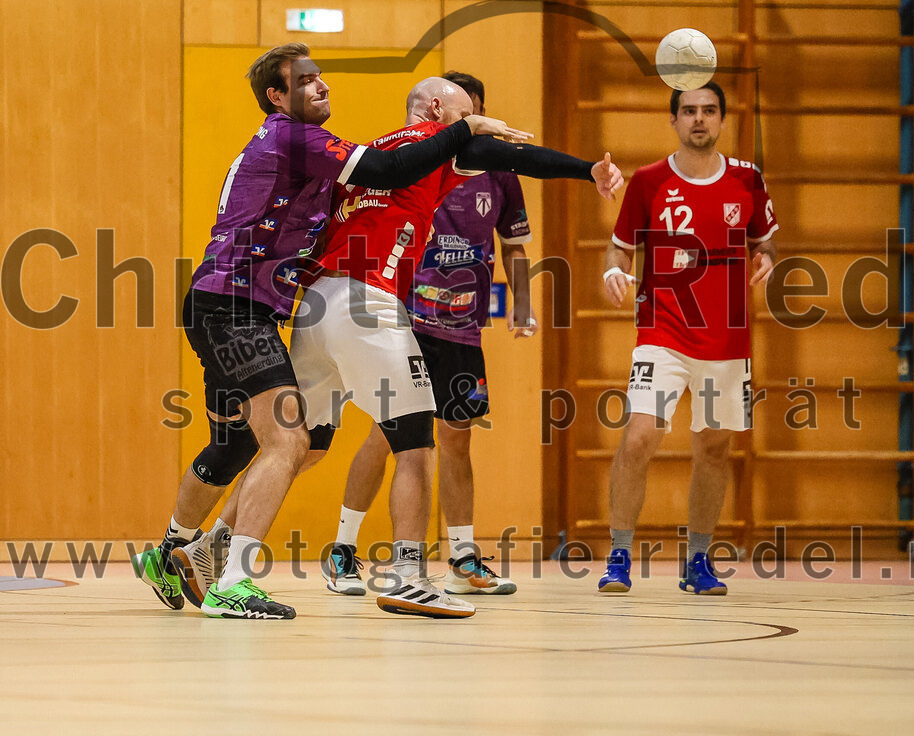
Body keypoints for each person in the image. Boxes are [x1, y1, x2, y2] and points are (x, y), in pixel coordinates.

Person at [132, 43, 530, 620]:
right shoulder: (300, 139)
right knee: (294, 441)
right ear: (277, 96)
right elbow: (388, 169)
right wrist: (469, 129)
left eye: (322, 78)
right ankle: (237, 577)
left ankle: (180, 554)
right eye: (306, 80)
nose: (322, 87)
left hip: (259, 308)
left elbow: (363, 191)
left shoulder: (321, 159)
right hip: (235, 303)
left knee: (248, 442)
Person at [289, 76, 622, 618]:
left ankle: (215, 547)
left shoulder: (370, 156)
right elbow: (497, 150)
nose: (479, 130)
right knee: (409, 441)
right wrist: (587, 170)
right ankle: (392, 569)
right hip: (383, 308)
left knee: (300, 445)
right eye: (471, 119)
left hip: (349, 307)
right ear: (443, 112)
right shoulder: (433, 152)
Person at [325, 71, 533, 599]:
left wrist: (523, 306)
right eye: (466, 119)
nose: (474, 128)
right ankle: (343, 549)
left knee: (456, 439)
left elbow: (514, 245)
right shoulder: (418, 158)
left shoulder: (500, 170)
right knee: (387, 433)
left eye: (479, 118)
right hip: (406, 318)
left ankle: (463, 558)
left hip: (462, 327)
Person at [597, 82, 778, 596]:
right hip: (663, 328)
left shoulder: (748, 179)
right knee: (639, 437)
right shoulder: (650, 181)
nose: (700, 118)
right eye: (690, 111)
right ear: (673, 120)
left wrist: (767, 256)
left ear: (723, 119)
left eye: (710, 110)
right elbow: (619, 251)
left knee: (714, 448)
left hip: (728, 337)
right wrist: (614, 273)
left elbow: (765, 241)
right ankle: (618, 557)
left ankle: (697, 561)